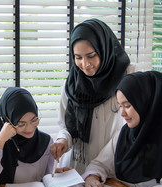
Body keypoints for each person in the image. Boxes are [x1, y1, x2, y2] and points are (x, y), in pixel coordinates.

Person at [51, 18, 131, 174]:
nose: (85, 64)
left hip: (113, 169)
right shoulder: (72, 84)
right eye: (78, 57)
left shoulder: (129, 78)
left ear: (104, 49)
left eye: (91, 55)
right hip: (77, 170)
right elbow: (66, 127)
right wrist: (62, 140)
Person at [0, 87, 56, 187]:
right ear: (7, 120)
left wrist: (59, 174)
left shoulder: (45, 142)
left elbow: (49, 181)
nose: (30, 129)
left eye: (34, 120)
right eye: (21, 124)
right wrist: (0, 141)